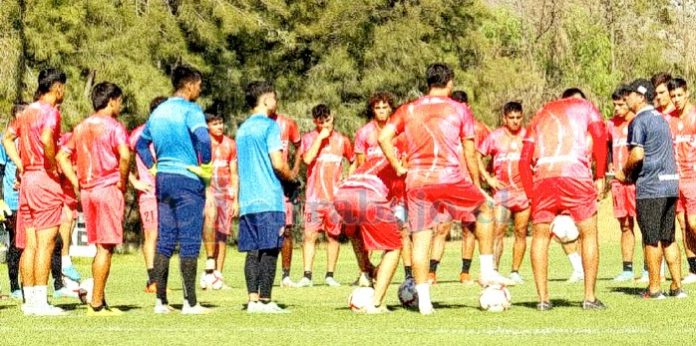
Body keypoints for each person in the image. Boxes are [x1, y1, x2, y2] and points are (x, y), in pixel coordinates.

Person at [379, 63, 513, 315]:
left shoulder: (408, 109)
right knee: (484, 209)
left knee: (421, 239)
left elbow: (383, 137)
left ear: (428, 82)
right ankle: (486, 270)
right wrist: (476, 184)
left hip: (417, 180)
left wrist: (397, 166)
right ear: (449, 82)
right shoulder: (459, 109)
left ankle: (425, 303)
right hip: (449, 176)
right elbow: (470, 152)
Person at [519, 87, 607, 310]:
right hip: (575, 175)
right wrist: (600, 175)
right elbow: (600, 136)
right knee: (589, 234)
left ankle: (542, 300)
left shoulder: (542, 112)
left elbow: (523, 160)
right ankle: (589, 297)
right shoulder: (585, 107)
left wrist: (531, 195)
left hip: (543, 179)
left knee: (540, 237)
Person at [135, 65, 212, 314]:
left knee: (165, 240)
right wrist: (206, 165)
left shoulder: (158, 112)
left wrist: (153, 167)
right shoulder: (191, 109)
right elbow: (203, 138)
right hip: (187, 178)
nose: (200, 89)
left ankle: (161, 301)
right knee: (189, 240)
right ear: (189, 85)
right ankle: (190, 302)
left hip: (163, 180)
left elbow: (140, 144)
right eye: (199, 85)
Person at [57, 82, 130, 315]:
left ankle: (100, 298)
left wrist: (76, 181)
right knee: (105, 248)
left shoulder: (81, 127)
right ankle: (97, 303)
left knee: (100, 247)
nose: (120, 105)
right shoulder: (114, 126)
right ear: (111, 101)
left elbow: (62, 156)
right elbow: (126, 156)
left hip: (87, 191)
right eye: (119, 100)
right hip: (107, 188)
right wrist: (123, 181)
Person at [2, 68, 66, 316]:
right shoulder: (50, 113)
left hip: (27, 179)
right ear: (58, 87)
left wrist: (20, 164)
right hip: (44, 179)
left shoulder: (27, 112)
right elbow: (49, 139)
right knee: (46, 243)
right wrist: (51, 166)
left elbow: (7, 138)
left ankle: (30, 302)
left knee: (29, 244)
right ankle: (40, 303)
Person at [619, 78, 685, 299]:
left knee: (651, 238)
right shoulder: (662, 118)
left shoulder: (639, 121)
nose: (626, 97)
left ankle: (654, 288)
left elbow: (637, 154)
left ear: (640, 96)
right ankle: (677, 287)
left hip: (651, 188)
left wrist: (623, 172)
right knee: (669, 237)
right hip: (670, 185)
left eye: (629, 94)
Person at [236, 80, 295, 313]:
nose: (276, 101)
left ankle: (252, 300)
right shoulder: (270, 127)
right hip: (269, 197)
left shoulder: (242, 130)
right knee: (270, 248)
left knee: (253, 251)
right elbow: (278, 164)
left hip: (248, 200)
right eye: (274, 97)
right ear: (266, 99)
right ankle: (266, 300)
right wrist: (291, 179)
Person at [334, 135, 406, 313]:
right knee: (394, 247)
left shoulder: (373, 159)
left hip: (342, 194)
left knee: (354, 232)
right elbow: (400, 208)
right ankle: (376, 303)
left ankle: (366, 271)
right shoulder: (402, 166)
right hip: (367, 196)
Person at [427, 90, 488, 285]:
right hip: (447, 184)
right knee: (441, 227)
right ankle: (431, 273)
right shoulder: (443, 127)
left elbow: (482, 155)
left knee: (469, 229)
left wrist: (483, 177)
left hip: (468, 186)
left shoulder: (478, 129)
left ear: (467, 107)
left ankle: (465, 273)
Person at [296, 104, 354, 288]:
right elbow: (306, 159)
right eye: (321, 122)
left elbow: (353, 160)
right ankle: (307, 275)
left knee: (333, 236)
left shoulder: (342, 140)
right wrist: (320, 139)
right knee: (309, 235)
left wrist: (348, 178)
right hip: (314, 198)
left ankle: (330, 275)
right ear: (315, 122)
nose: (326, 125)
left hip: (334, 200)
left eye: (328, 120)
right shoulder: (309, 139)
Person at [479, 101, 530, 284]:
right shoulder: (495, 137)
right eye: (511, 118)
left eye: (518, 117)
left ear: (522, 117)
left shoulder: (528, 136)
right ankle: (493, 269)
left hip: (524, 193)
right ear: (504, 118)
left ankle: (515, 271)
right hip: (503, 193)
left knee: (521, 231)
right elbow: (477, 156)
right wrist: (488, 178)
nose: (515, 121)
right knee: (498, 231)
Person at [351, 91, 398, 286]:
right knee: (358, 230)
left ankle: (405, 273)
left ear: (391, 109)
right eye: (377, 107)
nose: (381, 111)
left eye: (384, 107)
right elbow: (362, 165)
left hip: (393, 190)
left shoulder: (397, 131)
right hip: (370, 191)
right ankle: (365, 270)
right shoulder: (364, 133)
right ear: (372, 110)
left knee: (399, 232)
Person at [128, 96, 167, 292]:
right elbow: (120, 156)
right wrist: (135, 181)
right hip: (149, 194)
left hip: (167, 193)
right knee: (152, 234)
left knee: (163, 236)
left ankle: (159, 278)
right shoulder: (139, 134)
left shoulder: (169, 132)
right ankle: (153, 280)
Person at [200, 112, 238, 290]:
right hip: (207, 195)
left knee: (222, 236)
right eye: (215, 124)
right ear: (207, 126)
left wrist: (236, 199)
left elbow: (234, 173)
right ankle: (208, 273)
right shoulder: (202, 144)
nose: (219, 127)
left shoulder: (230, 144)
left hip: (225, 196)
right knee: (209, 234)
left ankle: (218, 277)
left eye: (221, 123)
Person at [665, 77, 696, 284]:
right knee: (684, 225)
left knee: (694, 223)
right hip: (676, 180)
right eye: (673, 96)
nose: (676, 99)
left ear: (687, 93)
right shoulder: (669, 120)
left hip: (693, 179)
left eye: (679, 95)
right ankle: (693, 270)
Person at [606, 85, 639, 282]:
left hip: (636, 181)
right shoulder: (610, 125)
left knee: (644, 224)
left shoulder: (637, 122)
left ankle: (647, 268)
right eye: (615, 105)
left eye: (620, 104)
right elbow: (606, 147)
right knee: (625, 225)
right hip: (618, 183)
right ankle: (627, 269)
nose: (617, 108)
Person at [269, 106, 302, 288]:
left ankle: (286, 276)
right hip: (264, 182)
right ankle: (264, 274)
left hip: (283, 181)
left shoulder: (287, 123)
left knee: (287, 229)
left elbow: (299, 146)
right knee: (266, 228)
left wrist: (295, 170)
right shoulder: (259, 125)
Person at [1, 103, 26, 300]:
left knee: (28, 242)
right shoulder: (5, 140)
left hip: (30, 195)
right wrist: (1, 199)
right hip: (12, 198)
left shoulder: (30, 138)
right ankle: (13, 285)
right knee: (16, 242)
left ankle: (30, 285)